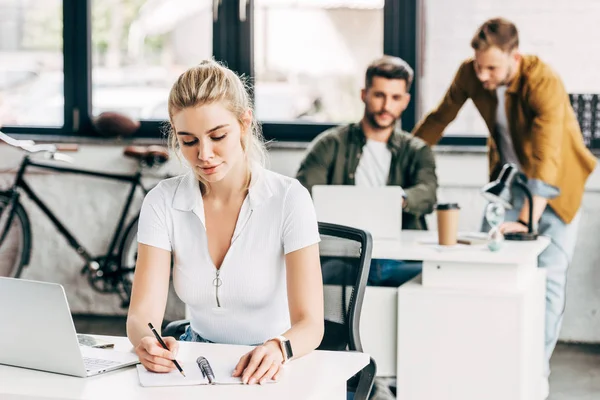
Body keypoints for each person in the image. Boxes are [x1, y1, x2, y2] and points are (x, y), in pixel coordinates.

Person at [412, 17, 597, 398]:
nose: (482, 75)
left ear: (515, 56)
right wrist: (405, 156)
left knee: (548, 279)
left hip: (557, 188)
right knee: (490, 267)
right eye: (478, 65)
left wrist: (529, 218)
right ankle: (496, 359)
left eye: (492, 68)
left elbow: (547, 154)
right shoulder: (471, 73)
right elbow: (439, 117)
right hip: (510, 185)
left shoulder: (542, 79)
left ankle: (536, 370)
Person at [126, 60, 324, 386]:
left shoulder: (289, 199)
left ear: (244, 123)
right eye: (188, 141)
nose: (204, 154)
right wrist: (147, 342)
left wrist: (278, 348)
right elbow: (141, 316)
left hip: (273, 362)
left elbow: (311, 324)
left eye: (217, 136)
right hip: (197, 364)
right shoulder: (162, 202)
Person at [296, 55, 438, 288]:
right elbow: (302, 195)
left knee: (434, 280)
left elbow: (428, 192)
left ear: (406, 101)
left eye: (395, 98)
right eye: (379, 95)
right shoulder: (329, 144)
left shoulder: (417, 150)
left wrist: (399, 200)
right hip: (342, 258)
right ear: (364, 94)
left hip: (398, 258)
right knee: (306, 280)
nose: (386, 106)